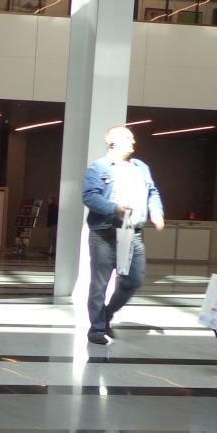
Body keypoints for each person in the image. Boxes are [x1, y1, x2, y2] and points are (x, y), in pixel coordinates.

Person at [81, 124, 164, 345]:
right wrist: (114, 208)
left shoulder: (141, 167)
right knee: (100, 284)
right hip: (104, 233)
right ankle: (96, 329)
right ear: (112, 143)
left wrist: (156, 212)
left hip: (132, 233)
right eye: (128, 138)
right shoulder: (98, 168)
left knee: (133, 279)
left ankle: (107, 314)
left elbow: (153, 192)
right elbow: (89, 196)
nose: (133, 142)